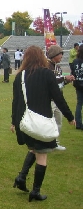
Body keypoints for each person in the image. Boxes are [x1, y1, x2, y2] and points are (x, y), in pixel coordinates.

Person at [11, 45, 75, 202]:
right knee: (42, 156)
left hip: (25, 122)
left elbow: (16, 101)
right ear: (41, 57)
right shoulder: (47, 74)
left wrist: (14, 121)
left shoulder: (20, 76)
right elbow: (58, 97)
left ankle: (21, 177)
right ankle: (35, 191)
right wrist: (69, 116)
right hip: (42, 123)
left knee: (34, 149)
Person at [47, 45, 74, 150]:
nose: (62, 57)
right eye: (60, 54)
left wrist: (67, 80)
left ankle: (55, 143)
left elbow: (59, 85)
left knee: (58, 121)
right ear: (54, 55)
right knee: (49, 121)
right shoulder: (47, 66)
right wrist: (63, 78)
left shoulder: (58, 67)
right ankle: (47, 142)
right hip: (49, 99)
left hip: (58, 99)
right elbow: (51, 82)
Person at [71, 44, 83, 130]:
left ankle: (78, 123)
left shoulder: (75, 61)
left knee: (79, 103)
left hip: (78, 84)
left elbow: (73, 73)